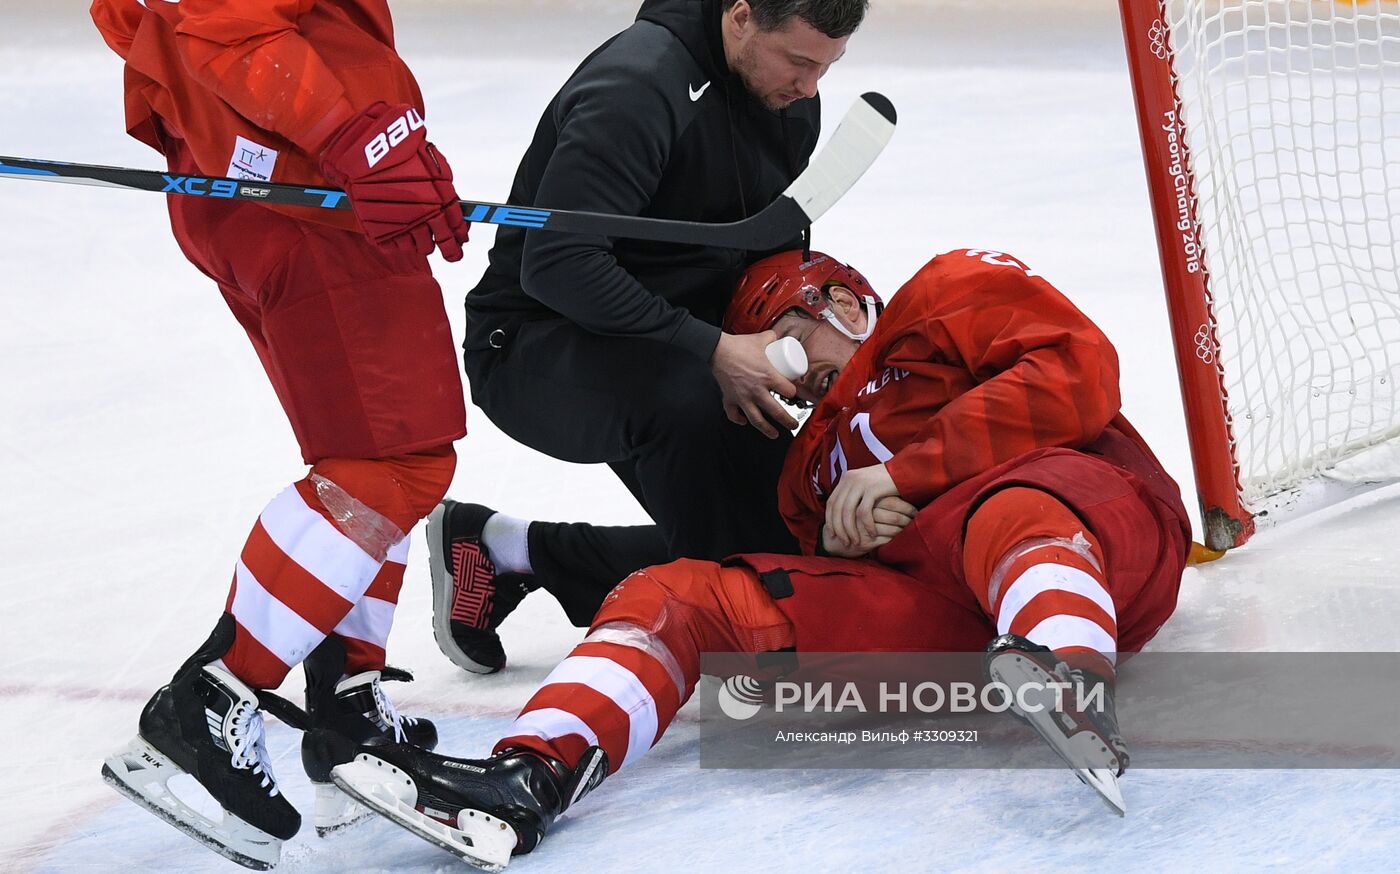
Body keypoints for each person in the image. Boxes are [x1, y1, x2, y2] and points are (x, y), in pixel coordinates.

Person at [328, 249, 1192, 863]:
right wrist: (846, 537)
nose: (787, 382)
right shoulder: (803, 473)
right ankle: (530, 775)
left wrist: (911, 473)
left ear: (844, 306)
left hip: (1096, 535)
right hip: (954, 631)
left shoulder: (946, 293)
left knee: (1009, 507)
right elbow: (829, 577)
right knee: (679, 590)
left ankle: (1072, 673)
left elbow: (1078, 373)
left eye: (785, 344)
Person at [89, 0, 471, 867]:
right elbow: (230, 23)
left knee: (375, 459)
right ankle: (214, 701)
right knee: (392, 464)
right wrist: (354, 135)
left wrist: (384, 140)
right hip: (303, 196)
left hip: (300, 187)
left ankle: (348, 711)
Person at [430, 0, 869, 675]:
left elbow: (758, 253)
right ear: (742, 16)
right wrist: (715, 349)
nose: (810, 89)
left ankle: (507, 550)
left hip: (676, 344)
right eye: (801, 62)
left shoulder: (787, 100)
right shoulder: (639, 90)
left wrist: (799, 329)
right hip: (532, 344)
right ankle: (721, 622)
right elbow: (558, 266)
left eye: (827, 67)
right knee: (698, 411)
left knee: (800, 539)